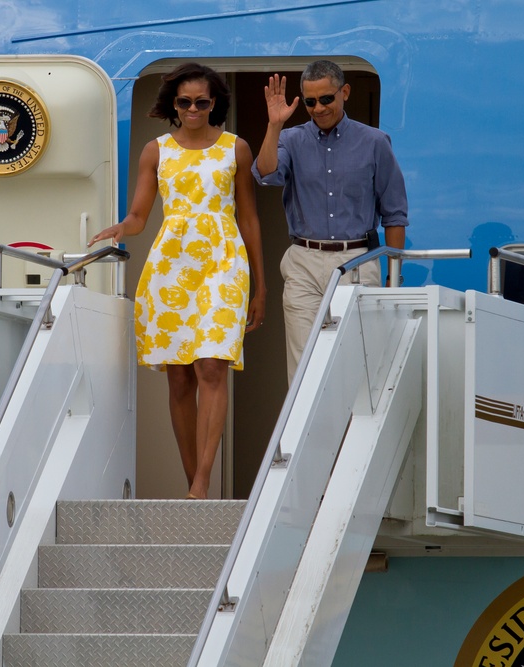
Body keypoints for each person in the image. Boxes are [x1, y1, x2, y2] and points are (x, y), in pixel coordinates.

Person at [89, 62, 266, 500]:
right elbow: (138, 215)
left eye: (201, 101)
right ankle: (195, 485)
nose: (192, 108)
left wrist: (260, 287)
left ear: (214, 104)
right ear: (174, 103)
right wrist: (120, 228)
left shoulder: (235, 149)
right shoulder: (157, 150)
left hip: (224, 263)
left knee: (211, 366)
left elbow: (249, 218)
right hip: (170, 266)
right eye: (184, 101)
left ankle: (203, 481)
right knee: (180, 379)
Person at [253, 59, 409, 384]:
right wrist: (273, 125)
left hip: (357, 259)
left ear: (345, 92)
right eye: (310, 102)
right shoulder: (291, 140)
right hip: (303, 262)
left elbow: (394, 213)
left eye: (327, 98)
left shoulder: (375, 142)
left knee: (357, 364)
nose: (319, 108)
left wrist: (395, 278)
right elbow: (266, 174)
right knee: (303, 368)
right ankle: (301, 435)